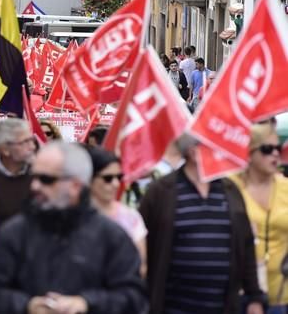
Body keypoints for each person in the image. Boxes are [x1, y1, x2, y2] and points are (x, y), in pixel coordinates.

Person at [0, 141, 148, 314]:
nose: (35, 186)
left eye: (47, 180)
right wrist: (27, 305)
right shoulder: (14, 232)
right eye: (34, 177)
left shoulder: (112, 236)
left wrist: (86, 303)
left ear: (75, 185)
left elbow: (133, 297)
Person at [139, 134, 264, 314]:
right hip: (172, 307)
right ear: (193, 152)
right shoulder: (160, 191)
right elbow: (142, 245)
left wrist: (254, 296)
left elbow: (245, 246)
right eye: (213, 147)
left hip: (222, 306)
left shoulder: (229, 190)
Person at [231, 124, 288, 313]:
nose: (275, 154)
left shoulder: (285, 188)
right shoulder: (231, 187)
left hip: (281, 294)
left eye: (277, 148)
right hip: (239, 295)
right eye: (266, 149)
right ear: (249, 152)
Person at [87, 147, 147, 276]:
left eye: (119, 177)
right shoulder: (74, 216)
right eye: (107, 178)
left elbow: (141, 266)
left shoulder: (131, 218)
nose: (115, 184)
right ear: (90, 179)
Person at [0, 119, 36, 236]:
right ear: (5, 149)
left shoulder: (40, 175)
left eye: (32, 140)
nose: (32, 147)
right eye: (25, 142)